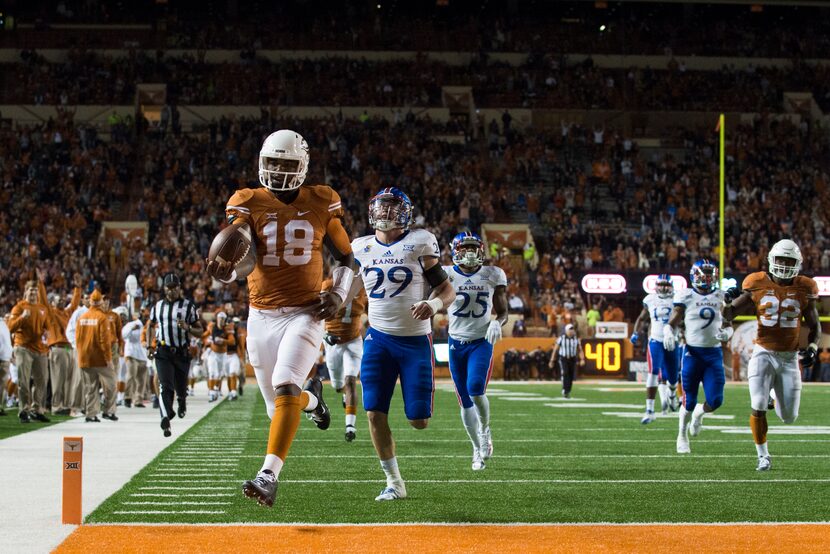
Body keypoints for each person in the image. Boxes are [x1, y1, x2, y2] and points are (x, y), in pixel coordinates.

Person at [206, 129, 355, 508]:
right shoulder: (246, 201)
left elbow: (347, 258)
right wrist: (227, 270)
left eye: (286, 164)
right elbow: (245, 258)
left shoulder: (323, 199)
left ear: (303, 166)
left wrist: (339, 292)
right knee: (279, 406)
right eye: (272, 162)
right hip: (261, 313)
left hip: (306, 311)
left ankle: (268, 475)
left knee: (285, 385)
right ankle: (314, 401)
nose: (278, 171)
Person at [348, 186, 455, 501]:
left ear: (405, 213)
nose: (385, 212)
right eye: (381, 207)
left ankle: (397, 474)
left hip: (414, 342)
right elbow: (348, 287)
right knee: (373, 412)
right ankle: (394, 482)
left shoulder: (419, 243)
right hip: (378, 339)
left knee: (418, 420)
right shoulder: (361, 247)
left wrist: (433, 306)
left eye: (392, 207)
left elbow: (447, 290)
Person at [722, 239, 821, 471]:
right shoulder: (756, 282)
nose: (785, 266)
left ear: (798, 263)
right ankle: (763, 455)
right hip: (763, 352)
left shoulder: (805, 287)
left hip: (789, 357)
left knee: (789, 417)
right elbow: (729, 314)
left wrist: (814, 347)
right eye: (781, 260)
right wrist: (727, 301)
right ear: (771, 261)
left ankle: (774, 393)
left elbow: (815, 325)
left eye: (790, 261)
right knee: (757, 403)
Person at [443, 232, 508, 471]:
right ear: (454, 251)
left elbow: (503, 311)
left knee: (476, 390)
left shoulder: (493, 274)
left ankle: (485, 429)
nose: (469, 253)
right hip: (456, 342)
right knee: (464, 402)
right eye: (464, 248)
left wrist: (496, 322)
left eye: (473, 248)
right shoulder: (446, 274)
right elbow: (433, 298)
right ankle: (475, 448)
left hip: (481, 341)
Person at [664, 259, 732, 454]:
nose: (708, 278)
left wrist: (728, 333)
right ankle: (682, 435)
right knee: (689, 400)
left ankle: (699, 414)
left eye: (710, 274)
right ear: (695, 276)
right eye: (704, 275)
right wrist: (668, 330)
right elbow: (675, 317)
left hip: (713, 354)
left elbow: (728, 322)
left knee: (716, 400)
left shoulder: (721, 296)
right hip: (693, 353)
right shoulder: (686, 295)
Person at [145, 273, 204, 437]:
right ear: (164, 289)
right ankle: (165, 418)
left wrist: (188, 328)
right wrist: (150, 346)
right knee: (165, 386)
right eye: (168, 288)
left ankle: (182, 401)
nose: (171, 291)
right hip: (163, 351)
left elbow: (200, 331)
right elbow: (150, 325)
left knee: (180, 386)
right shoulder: (157, 307)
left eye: (174, 288)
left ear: (180, 288)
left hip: (181, 352)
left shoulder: (188, 306)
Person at [321, 277, 368, 442]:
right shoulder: (328, 285)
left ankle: (350, 426)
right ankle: (343, 393)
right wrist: (324, 335)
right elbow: (316, 312)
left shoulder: (363, 286)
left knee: (351, 381)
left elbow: (372, 311)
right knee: (337, 385)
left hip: (354, 340)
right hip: (333, 342)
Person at [630, 274, 680, 424]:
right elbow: (641, 317)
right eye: (661, 285)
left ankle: (671, 395)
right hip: (656, 340)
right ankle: (649, 410)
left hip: (672, 341)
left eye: (667, 285)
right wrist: (635, 332)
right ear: (656, 286)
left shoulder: (678, 299)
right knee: (652, 372)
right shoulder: (650, 299)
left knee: (672, 378)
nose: (664, 288)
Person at [8, 280, 49, 423]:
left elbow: (46, 327)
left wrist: (46, 333)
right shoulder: (19, 307)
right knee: (23, 381)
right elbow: (10, 327)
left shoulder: (42, 308)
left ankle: (37, 410)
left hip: (39, 349)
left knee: (42, 381)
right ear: (25, 291)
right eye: (31, 290)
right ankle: (23, 410)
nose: (33, 292)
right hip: (23, 347)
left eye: (35, 290)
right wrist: (22, 317)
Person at [76, 290, 117, 422]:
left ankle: (90, 414)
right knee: (111, 385)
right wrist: (108, 359)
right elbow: (104, 341)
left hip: (85, 358)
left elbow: (78, 340)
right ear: (100, 302)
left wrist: (80, 356)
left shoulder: (82, 318)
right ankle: (108, 411)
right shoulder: (102, 317)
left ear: (90, 302)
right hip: (100, 359)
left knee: (90, 387)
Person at [203, 311, 236, 402]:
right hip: (213, 353)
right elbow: (204, 336)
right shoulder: (211, 327)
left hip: (223, 354)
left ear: (225, 320)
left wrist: (223, 340)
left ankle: (216, 389)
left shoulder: (227, 328)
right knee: (212, 373)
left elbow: (232, 341)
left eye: (222, 318)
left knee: (220, 374)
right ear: (217, 318)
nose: (221, 320)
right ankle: (211, 392)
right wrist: (205, 341)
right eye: (219, 318)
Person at [121, 309, 148, 408]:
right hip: (131, 354)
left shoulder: (149, 326)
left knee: (141, 380)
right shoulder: (132, 324)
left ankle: (138, 400)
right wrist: (132, 329)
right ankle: (127, 398)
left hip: (143, 355)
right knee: (131, 376)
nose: (147, 318)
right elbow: (123, 335)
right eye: (145, 316)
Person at [549, 323, 585, 398]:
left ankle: (567, 391)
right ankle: (565, 389)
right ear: (566, 331)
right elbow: (555, 349)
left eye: (572, 329)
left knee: (571, 376)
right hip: (563, 358)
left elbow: (580, 350)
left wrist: (582, 359)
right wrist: (552, 360)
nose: (571, 331)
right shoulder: (561, 338)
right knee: (565, 373)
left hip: (572, 359)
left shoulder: (576, 339)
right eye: (570, 329)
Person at [0, 311, 11, 416]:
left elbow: (7, 342)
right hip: (2, 357)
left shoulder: (4, 324)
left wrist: (10, 355)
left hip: (5, 357)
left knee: (3, 384)